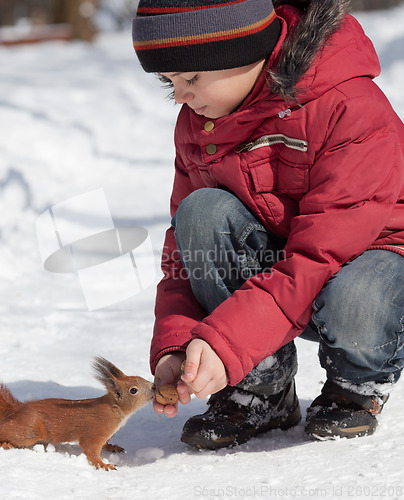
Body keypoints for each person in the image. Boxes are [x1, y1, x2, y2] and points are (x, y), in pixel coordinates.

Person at [132, 0, 404, 448]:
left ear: (243, 52)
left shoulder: (348, 107)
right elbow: (185, 252)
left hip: (366, 260)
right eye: (169, 84)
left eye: (192, 78)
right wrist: (177, 343)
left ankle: (356, 387)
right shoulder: (200, 124)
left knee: (360, 293)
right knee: (199, 212)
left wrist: (227, 341)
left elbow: (319, 255)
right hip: (284, 276)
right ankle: (261, 391)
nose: (180, 96)